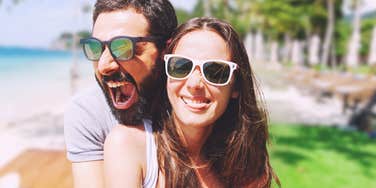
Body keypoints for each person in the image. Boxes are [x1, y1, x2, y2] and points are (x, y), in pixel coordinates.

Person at [104, 17, 280, 188]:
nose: (195, 84)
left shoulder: (245, 161)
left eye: (215, 71)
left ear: (235, 86)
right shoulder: (129, 145)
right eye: (180, 66)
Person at [63, 0, 177, 187]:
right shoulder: (89, 112)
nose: (103, 65)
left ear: (166, 50)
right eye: (96, 48)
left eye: (123, 47)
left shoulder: (189, 102)